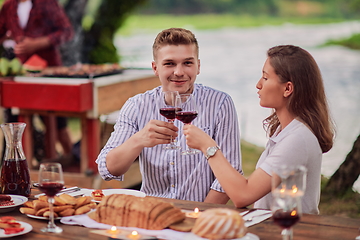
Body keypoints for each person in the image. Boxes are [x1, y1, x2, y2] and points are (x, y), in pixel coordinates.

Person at [183, 45, 335, 214]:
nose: (258, 85)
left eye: (265, 78)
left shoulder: (298, 139)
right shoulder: (285, 132)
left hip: (290, 231)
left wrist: (207, 146)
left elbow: (243, 195)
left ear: (287, 89)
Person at [96, 28, 242, 204]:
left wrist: (197, 215)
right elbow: (108, 169)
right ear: (155, 68)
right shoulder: (136, 106)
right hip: (151, 211)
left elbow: (230, 174)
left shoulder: (220, 103)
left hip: (201, 213)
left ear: (198, 66)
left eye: (187, 63)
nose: (179, 72)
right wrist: (139, 140)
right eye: (169, 64)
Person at [0, 0, 74, 164]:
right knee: (17, 122)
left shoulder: (47, 3)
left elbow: (66, 32)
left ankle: (72, 160)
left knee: (58, 123)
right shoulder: (8, 6)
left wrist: (37, 43)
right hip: (20, 74)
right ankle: (23, 167)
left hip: (49, 71)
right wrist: (7, 38)